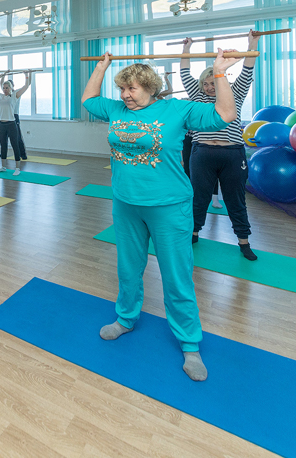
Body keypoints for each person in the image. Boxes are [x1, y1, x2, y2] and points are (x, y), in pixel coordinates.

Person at [82, 51, 241, 382]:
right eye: (122, 88)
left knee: (176, 275)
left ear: (151, 88)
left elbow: (225, 114)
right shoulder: (116, 109)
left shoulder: (177, 110)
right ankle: (126, 319)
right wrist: (101, 67)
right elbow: (88, 100)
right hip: (126, 204)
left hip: (169, 206)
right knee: (128, 269)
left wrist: (220, 73)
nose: (126, 95)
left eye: (133, 88)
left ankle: (189, 343)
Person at [181, 31, 259, 260]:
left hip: (232, 153)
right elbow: (184, 73)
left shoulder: (235, 94)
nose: (209, 87)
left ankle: (243, 241)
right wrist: (186, 48)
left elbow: (247, 70)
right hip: (202, 152)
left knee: (236, 199)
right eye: (205, 84)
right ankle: (193, 233)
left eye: (213, 82)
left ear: (220, 79)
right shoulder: (198, 98)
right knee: (199, 197)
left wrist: (252, 44)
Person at [0, 71, 30, 175]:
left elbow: (26, 86)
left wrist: (26, 75)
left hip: (11, 124)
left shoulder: (14, 96)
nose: (5, 90)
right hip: (1, 124)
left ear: (11, 88)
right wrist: (0, 76)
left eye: (7, 88)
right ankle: (3, 167)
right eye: (4, 88)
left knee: (15, 145)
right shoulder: (1, 96)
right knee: (3, 146)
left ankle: (17, 168)